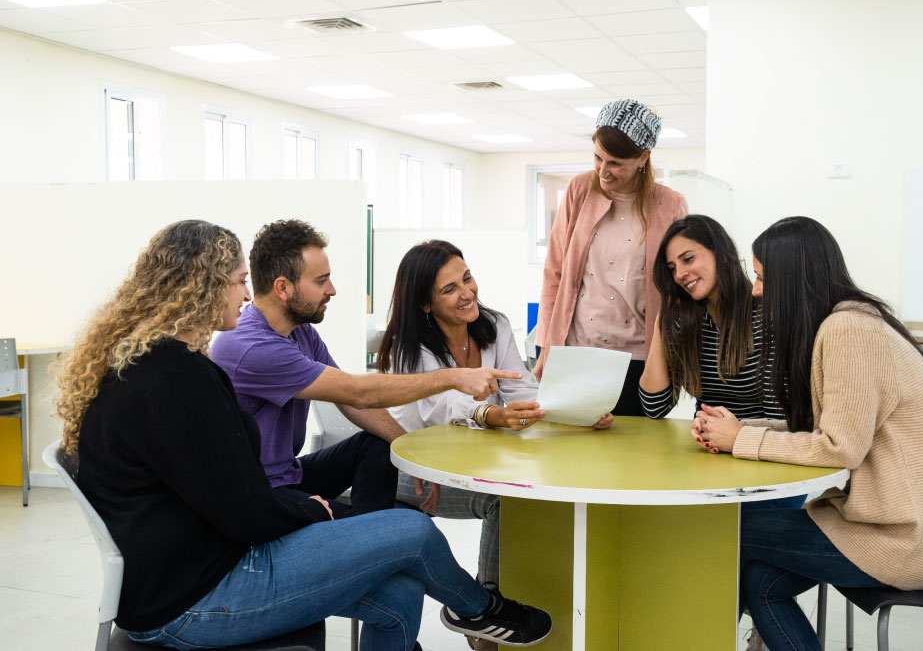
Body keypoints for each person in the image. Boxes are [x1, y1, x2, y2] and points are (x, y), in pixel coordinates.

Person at [54, 220, 552, 651]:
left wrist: (334, 507)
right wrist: (320, 510)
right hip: (196, 599)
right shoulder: (179, 380)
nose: (245, 295)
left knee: (399, 595)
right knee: (414, 532)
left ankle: (461, 599)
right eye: (236, 283)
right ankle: (481, 609)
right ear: (200, 289)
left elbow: (237, 486)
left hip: (199, 567)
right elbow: (247, 510)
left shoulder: (161, 366)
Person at [693, 216, 923, 651]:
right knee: (763, 583)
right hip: (921, 532)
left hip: (913, 542)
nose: (755, 291)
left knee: (721, 526)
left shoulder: (847, 330)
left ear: (793, 279)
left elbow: (839, 447)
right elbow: (831, 429)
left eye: (761, 278)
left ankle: (691, 635)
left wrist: (740, 440)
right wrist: (742, 429)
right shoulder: (855, 320)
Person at [377, 241, 612, 650]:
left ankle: (486, 609)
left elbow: (522, 385)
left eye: (466, 278)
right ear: (425, 304)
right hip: (409, 472)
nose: (467, 292)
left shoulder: (494, 324)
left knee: (515, 495)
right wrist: (490, 414)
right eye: (449, 289)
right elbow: (439, 408)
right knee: (501, 499)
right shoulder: (408, 346)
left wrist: (575, 410)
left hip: (464, 464)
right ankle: (486, 613)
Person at [210, 219, 518, 519]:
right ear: (283, 288)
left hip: (291, 474)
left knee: (377, 443)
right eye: (321, 281)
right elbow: (357, 392)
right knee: (412, 532)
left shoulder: (301, 332)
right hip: (261, 492)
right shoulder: (251, 346)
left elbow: (352, 403)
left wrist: (413, 463)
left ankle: (371, 532)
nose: (332, 290)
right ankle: (372, 533)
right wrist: (454, 376)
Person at [534, 98, 688, 415]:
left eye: (615, 163)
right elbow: (555, 274)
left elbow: (678, 289)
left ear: (643, 158)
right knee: (572, 453)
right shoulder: (579, 190)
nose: (603, 170)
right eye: (597, 158)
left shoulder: (670, 205)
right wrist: (546, 347)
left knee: (634, 455)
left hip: (637, 358)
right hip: (576, 351)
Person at [639, 214, 781, 423]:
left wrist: (736, 438)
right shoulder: (684, 321)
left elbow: (781, 420)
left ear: (721, 253)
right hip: (706, 447)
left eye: (688, 259)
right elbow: (654, 407)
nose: (679, 274)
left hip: (758, 447)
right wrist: (661, 322)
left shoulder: (767, 315)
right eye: (672, 268)